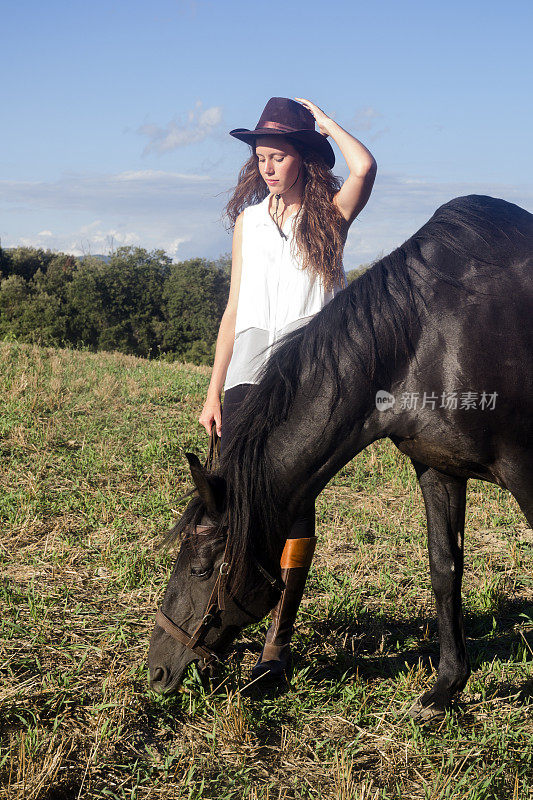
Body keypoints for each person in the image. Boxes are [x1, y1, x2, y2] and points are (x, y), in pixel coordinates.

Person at [199, 96, 376, 683]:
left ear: (302, 159)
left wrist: (324, 122)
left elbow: (366, 167)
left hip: (309, 368)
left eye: (278, 156)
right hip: (249, 365)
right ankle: (219, 621)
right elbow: (233, 309)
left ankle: (277, 645)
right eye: (261, 157)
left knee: (293, 501)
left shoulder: (330, 214)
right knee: (231, 496)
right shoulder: (248, 221)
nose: (268, 167)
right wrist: (212, 390)